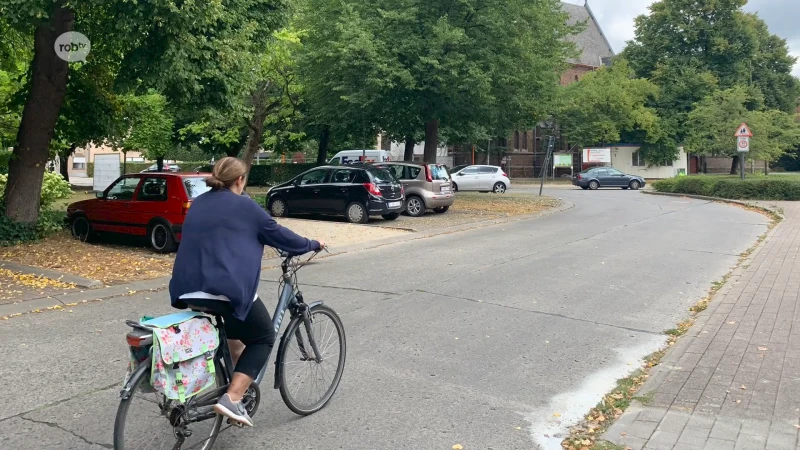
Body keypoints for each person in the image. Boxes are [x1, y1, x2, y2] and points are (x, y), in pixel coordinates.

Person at [169, 157, 323, 427]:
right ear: (240, 180)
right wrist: (313, 243)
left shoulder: (199, 203)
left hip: (188, 288)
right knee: (263, 336)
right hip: (224, 291)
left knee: (237, 335)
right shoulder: (246, 207)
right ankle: (233, 397)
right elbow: (280, 235)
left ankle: (234, 382)